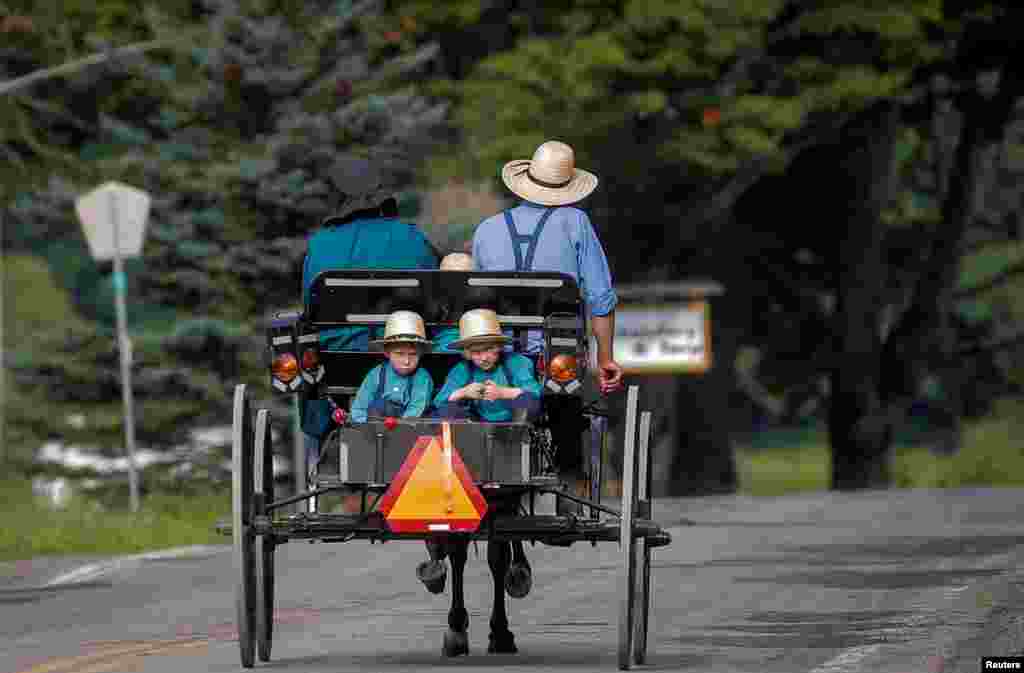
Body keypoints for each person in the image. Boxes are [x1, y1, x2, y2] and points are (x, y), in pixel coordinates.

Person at [470, 140, 623, 485]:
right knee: (566, 399)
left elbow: (476, 299)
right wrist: (606, 359)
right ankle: (569, 478)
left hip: (496, 350)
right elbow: (600, 298)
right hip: (555, 356)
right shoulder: (577, 223)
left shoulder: (487, 229)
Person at [300, 155, 439, 468]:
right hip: (407, 356)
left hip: (338, 362)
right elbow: (436, 306)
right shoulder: (413, 239)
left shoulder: (321, 245)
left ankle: (327, 455)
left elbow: (309, 309)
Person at [432, 309, 541, 421]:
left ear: (499, 346)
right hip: (476, 424)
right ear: (468, 353)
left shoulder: (516, 362)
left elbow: (535, 393)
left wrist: (503, 392)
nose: (484, 358)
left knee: (528, 401)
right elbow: (439, 402)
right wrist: (464, 392)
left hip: (515, 420)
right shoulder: (463, 369)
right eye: (476, 352)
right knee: (446, 410)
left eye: (489, 349)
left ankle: (520, 435)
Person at [349, 311, 435, 422]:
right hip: (372, 430)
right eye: (400, 354)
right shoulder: (376, 374)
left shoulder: (422, 378)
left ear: (421, 353)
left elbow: (416, 411)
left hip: (407, 431)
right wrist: (365, 427)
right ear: (387, 352)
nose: (407, 361)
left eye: (413, 354)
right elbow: (359, 409)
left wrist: (396, 429)